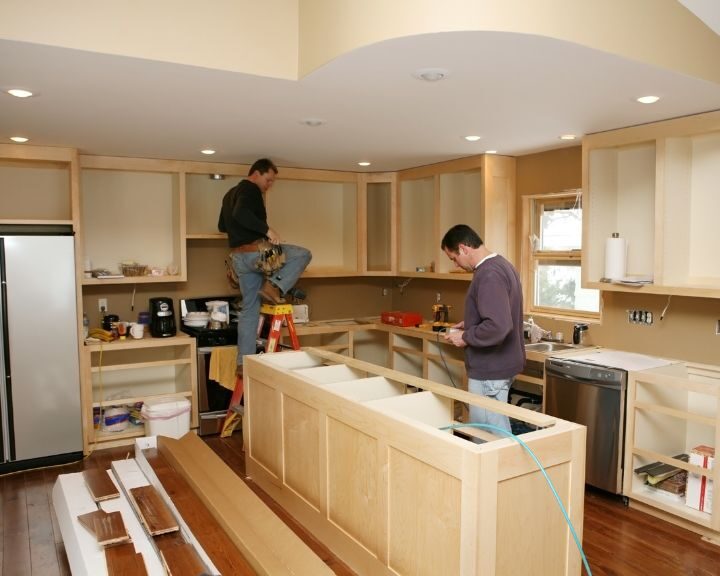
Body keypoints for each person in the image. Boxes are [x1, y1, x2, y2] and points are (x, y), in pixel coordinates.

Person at [218, 158, 312, 376]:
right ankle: (274, 287)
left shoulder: (228, 195)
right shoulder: (250, 189)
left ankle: (243, 362)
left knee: (250, 310)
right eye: (268, 180)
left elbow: (223, 225)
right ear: (256, 174)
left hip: (238, 259)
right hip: (258, 254)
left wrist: (241, 231)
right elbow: (241, 214)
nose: (269, 185)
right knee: (302, 254)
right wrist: (268, 231)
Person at [440, 224, 525, 433]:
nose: (456, 265)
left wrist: (466, 336)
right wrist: (470, 323)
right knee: (495, 431)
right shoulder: (501, 265)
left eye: (454, 258)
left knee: (487, 437)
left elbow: (498, 325)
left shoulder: (489, 274)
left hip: (490, 370)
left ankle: (506, 467)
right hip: (497, 366)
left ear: (463, 248)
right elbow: (497, 314)